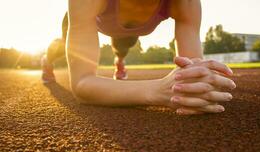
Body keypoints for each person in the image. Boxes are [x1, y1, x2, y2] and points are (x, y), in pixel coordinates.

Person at [41, 0, 236, 115]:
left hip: (129, 30)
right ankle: (46, 62)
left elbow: (193, 73)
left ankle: (120, 61)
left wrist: (196, 84)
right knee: (59, 50)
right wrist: (157, 90)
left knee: (123, 47)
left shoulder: (185, 3)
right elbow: (82, 85)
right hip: (89, 18)